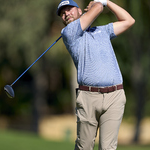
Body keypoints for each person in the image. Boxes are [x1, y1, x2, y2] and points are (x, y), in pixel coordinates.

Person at [56, 0, 135, 149]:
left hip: (114, 96)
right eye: (63, 13)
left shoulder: (102, 31)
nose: (66, 14)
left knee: (108, 148)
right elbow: (98, 8)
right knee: (84, 146)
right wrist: (99, 3)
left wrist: (107, 2)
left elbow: (129, 20)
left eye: (69, 9)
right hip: (88, 98)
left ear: (80, 11)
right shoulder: (69, 33)